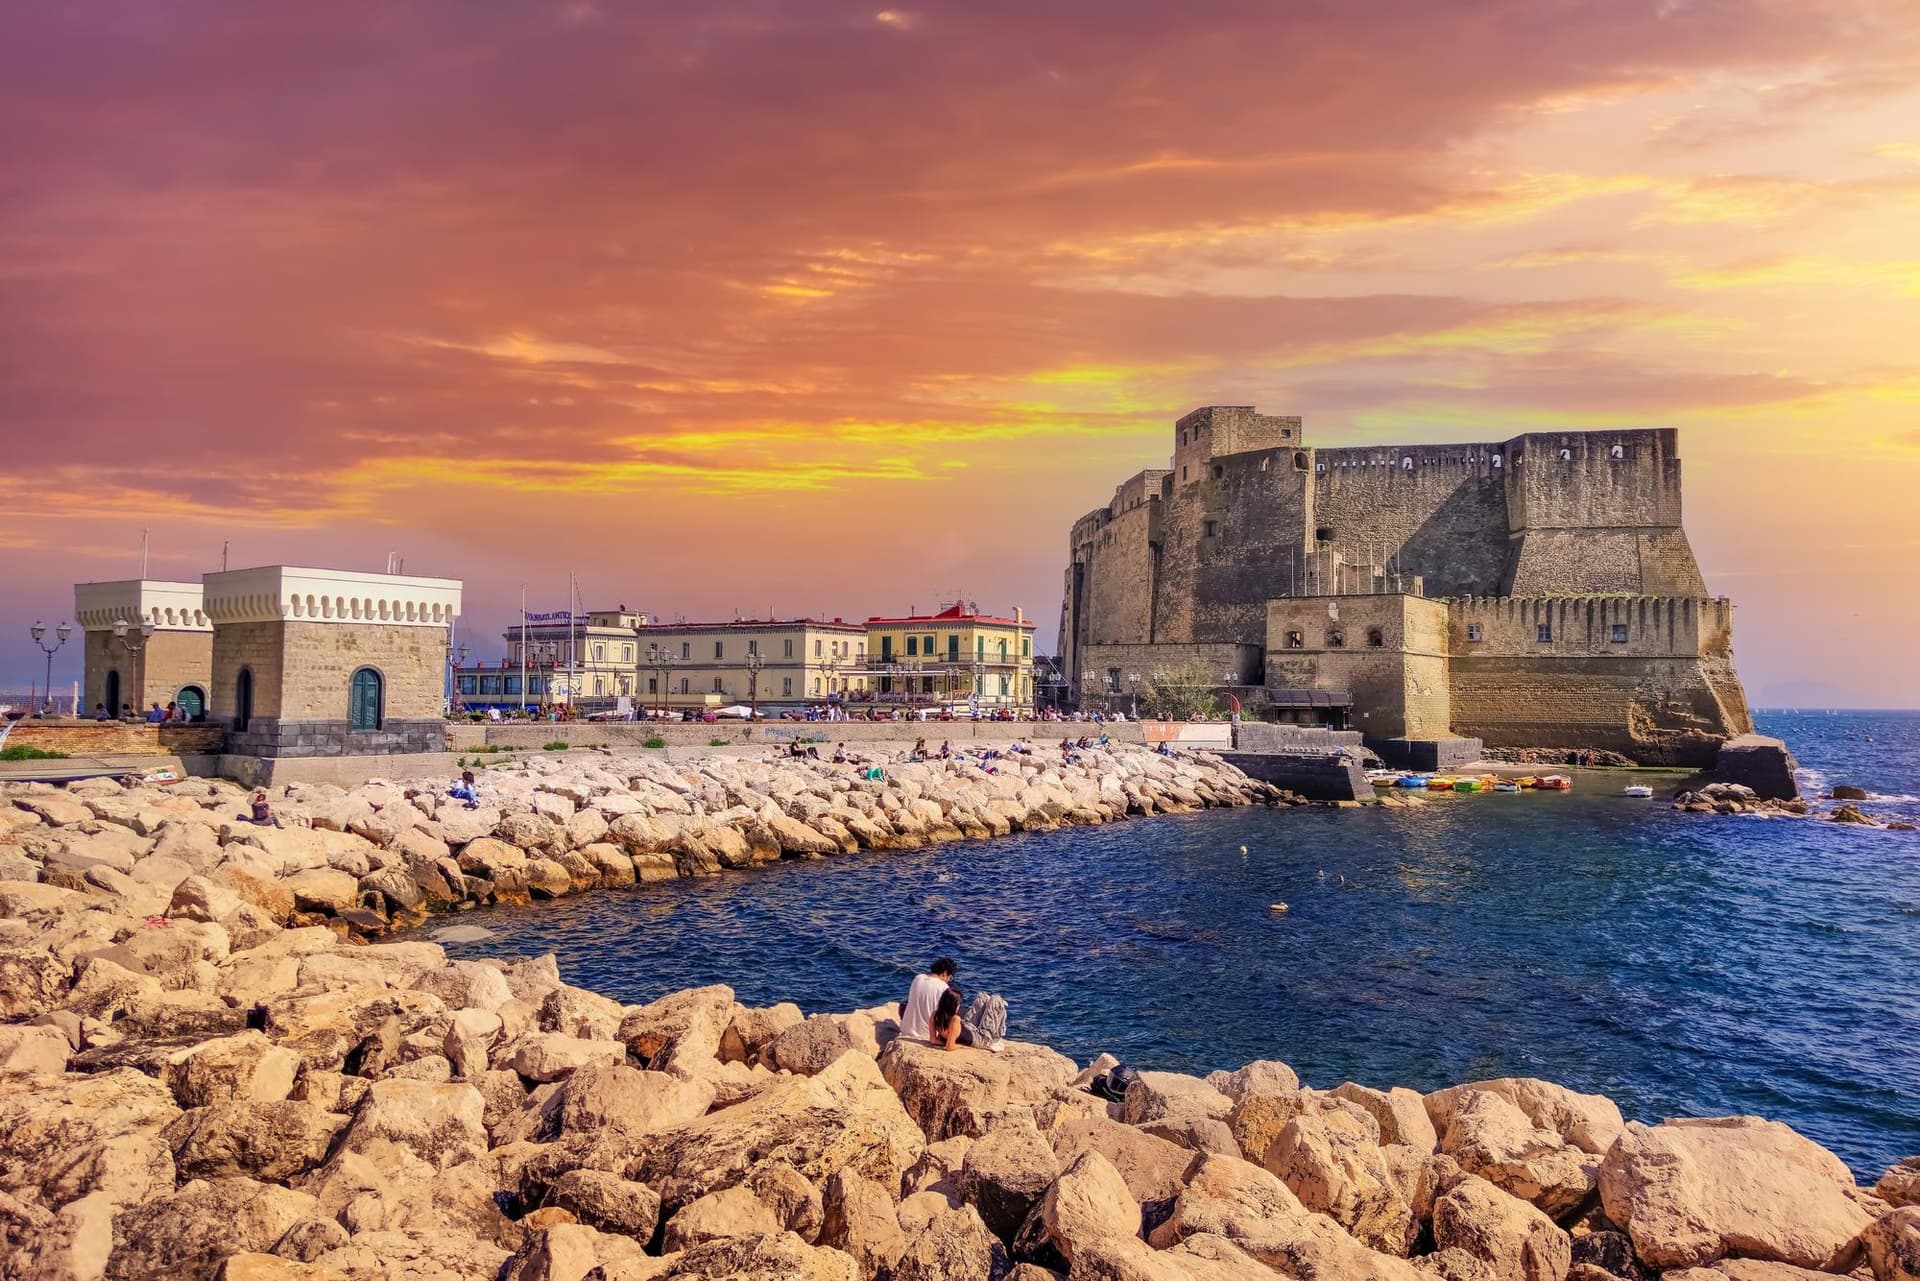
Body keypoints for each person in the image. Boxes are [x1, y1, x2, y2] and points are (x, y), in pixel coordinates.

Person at [898, 957, 956, 1041]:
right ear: (944, 973)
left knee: (904, 1005)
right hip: (927, 1035)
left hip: (906, 1031)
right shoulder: (944, 988)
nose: (948, 981)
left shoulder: (918, 978)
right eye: (949, 977)